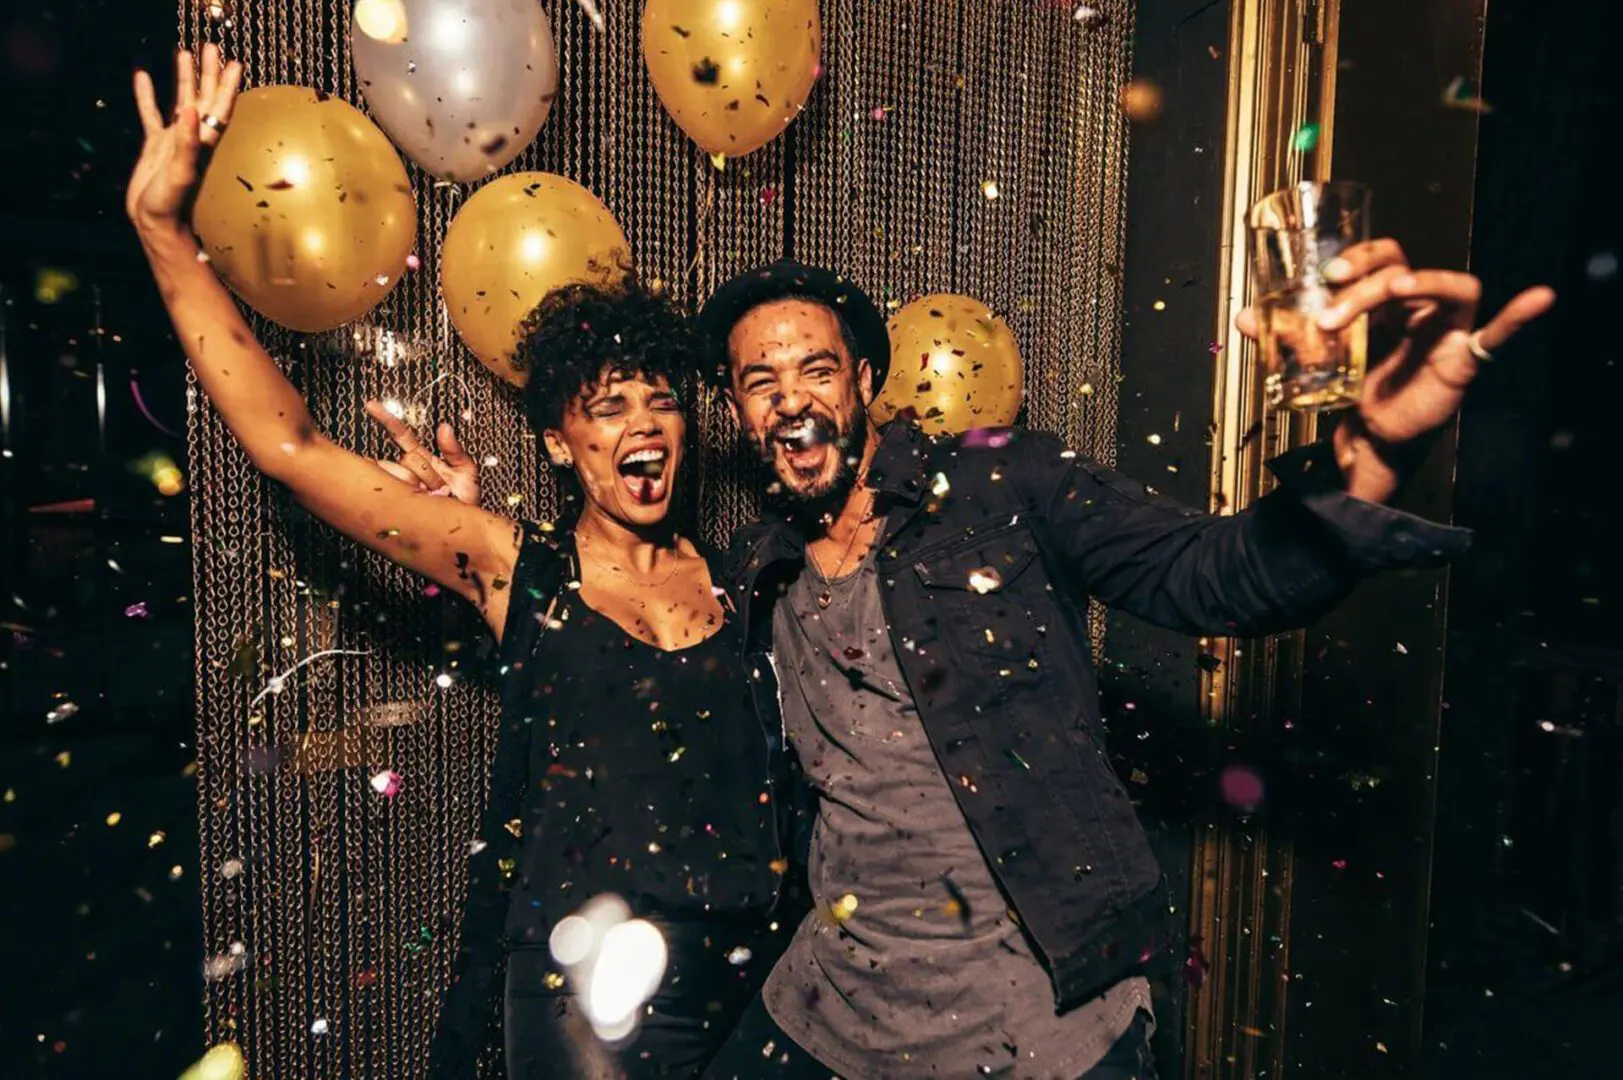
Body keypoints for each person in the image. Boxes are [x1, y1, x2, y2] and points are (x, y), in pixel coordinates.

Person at [692, 257, 1555, 1079]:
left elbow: (1214, 575)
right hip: (834, 1008)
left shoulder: (1002, 483)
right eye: (761, 383)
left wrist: (1368, 450)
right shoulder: (758, 571)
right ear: (736, 410)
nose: (792, 401)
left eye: (816, 370)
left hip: (1035, 1015)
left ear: (864, 383)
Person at [129, 47, 791, 1079]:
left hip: (756, 979)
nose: (641, 424)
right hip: (591, 1004)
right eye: (606, 407)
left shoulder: (749, 579)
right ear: (563, 444)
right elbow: (290, 448)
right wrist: (164, 233)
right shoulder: (512, 566)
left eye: (658, 398)